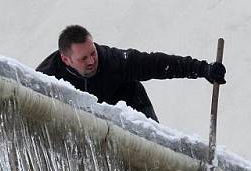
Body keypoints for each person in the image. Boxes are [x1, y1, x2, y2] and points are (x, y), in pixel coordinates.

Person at [36, 25, 226, 122]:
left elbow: (158, 64)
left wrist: (204, 69)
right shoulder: (47, 76)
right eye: (83, 58)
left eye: (92, 53)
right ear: (66, 59)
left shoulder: (114, 61)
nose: (92, 61)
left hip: (134, 111)